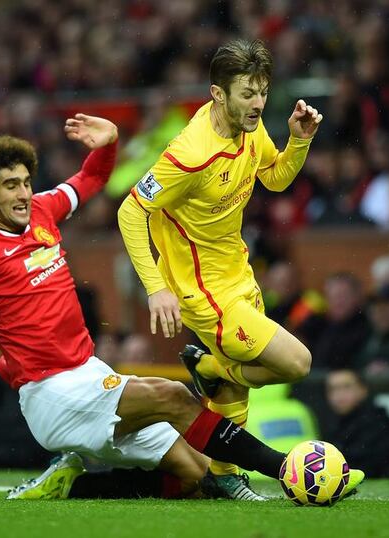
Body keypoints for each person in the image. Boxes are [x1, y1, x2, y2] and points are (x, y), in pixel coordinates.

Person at [0, 115, 364, 501]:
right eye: (10, 186)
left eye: (26, 182)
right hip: (52, 395)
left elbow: (92, 179)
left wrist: (109, 144)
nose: (24, 193)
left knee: (191, 476)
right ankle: (286, 470)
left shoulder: (43, 210)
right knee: (174, 397)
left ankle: (77, 484)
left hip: (86, 372)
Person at [117, 38, 323, 487]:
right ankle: (212, 367)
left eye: (263, 91)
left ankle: (224, 476)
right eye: (247, 94)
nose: (258, 103)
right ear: (217, 93)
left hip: (238, 273)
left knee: (236, 392)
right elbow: (130, 211)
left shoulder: (249, 126)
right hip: (203, 292)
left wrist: (298, 142)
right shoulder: (190, 154)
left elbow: (274, 177)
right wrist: (156, 288)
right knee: (297, 363)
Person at [326, 369, 389, 478]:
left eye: (346, 387)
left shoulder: (377, 422)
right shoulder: (336, 424)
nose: (339, 394)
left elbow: (364, 467)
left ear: (363, 390)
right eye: (333, 389)